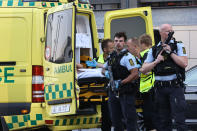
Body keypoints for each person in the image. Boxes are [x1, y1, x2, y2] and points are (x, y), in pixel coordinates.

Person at [140, 24, 188, 131]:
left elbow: (184, 63)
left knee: (180, 120)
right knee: (163, 121)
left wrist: (170, 52)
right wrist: (156, 61)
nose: (170, 33)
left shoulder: (178, 45)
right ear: (161, 33)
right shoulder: (154, 49)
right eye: (167, 31)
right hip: (160, 89)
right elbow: (143, 69)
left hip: (174, 87)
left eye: (171, 31)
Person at [102, 32, 139, 131]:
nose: (118, 43)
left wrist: (122, 82)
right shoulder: (111, 56)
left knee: (129, 119)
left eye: (120, 41)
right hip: (113, 91)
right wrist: (106, 73)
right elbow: (103, 68)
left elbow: (135, 73)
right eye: (116, 41)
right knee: (115, 119)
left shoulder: (128, 57)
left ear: (125, 43)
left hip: (125, 91)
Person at [127, 35, 157, 131]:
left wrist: (138, 69)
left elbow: (146, 71)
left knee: (149, 115)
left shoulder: (145, 53)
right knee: (154, 113)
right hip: (154, 87)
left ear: (143, 44)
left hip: (147, 88)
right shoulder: (154, 52)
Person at [99, 39, 114, 131]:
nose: (113, 49)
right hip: (104, 91)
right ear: (105, 50)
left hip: (114, 89)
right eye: (111, 47)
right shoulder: (99, 59)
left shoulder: (115, 57)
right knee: (106, 116)